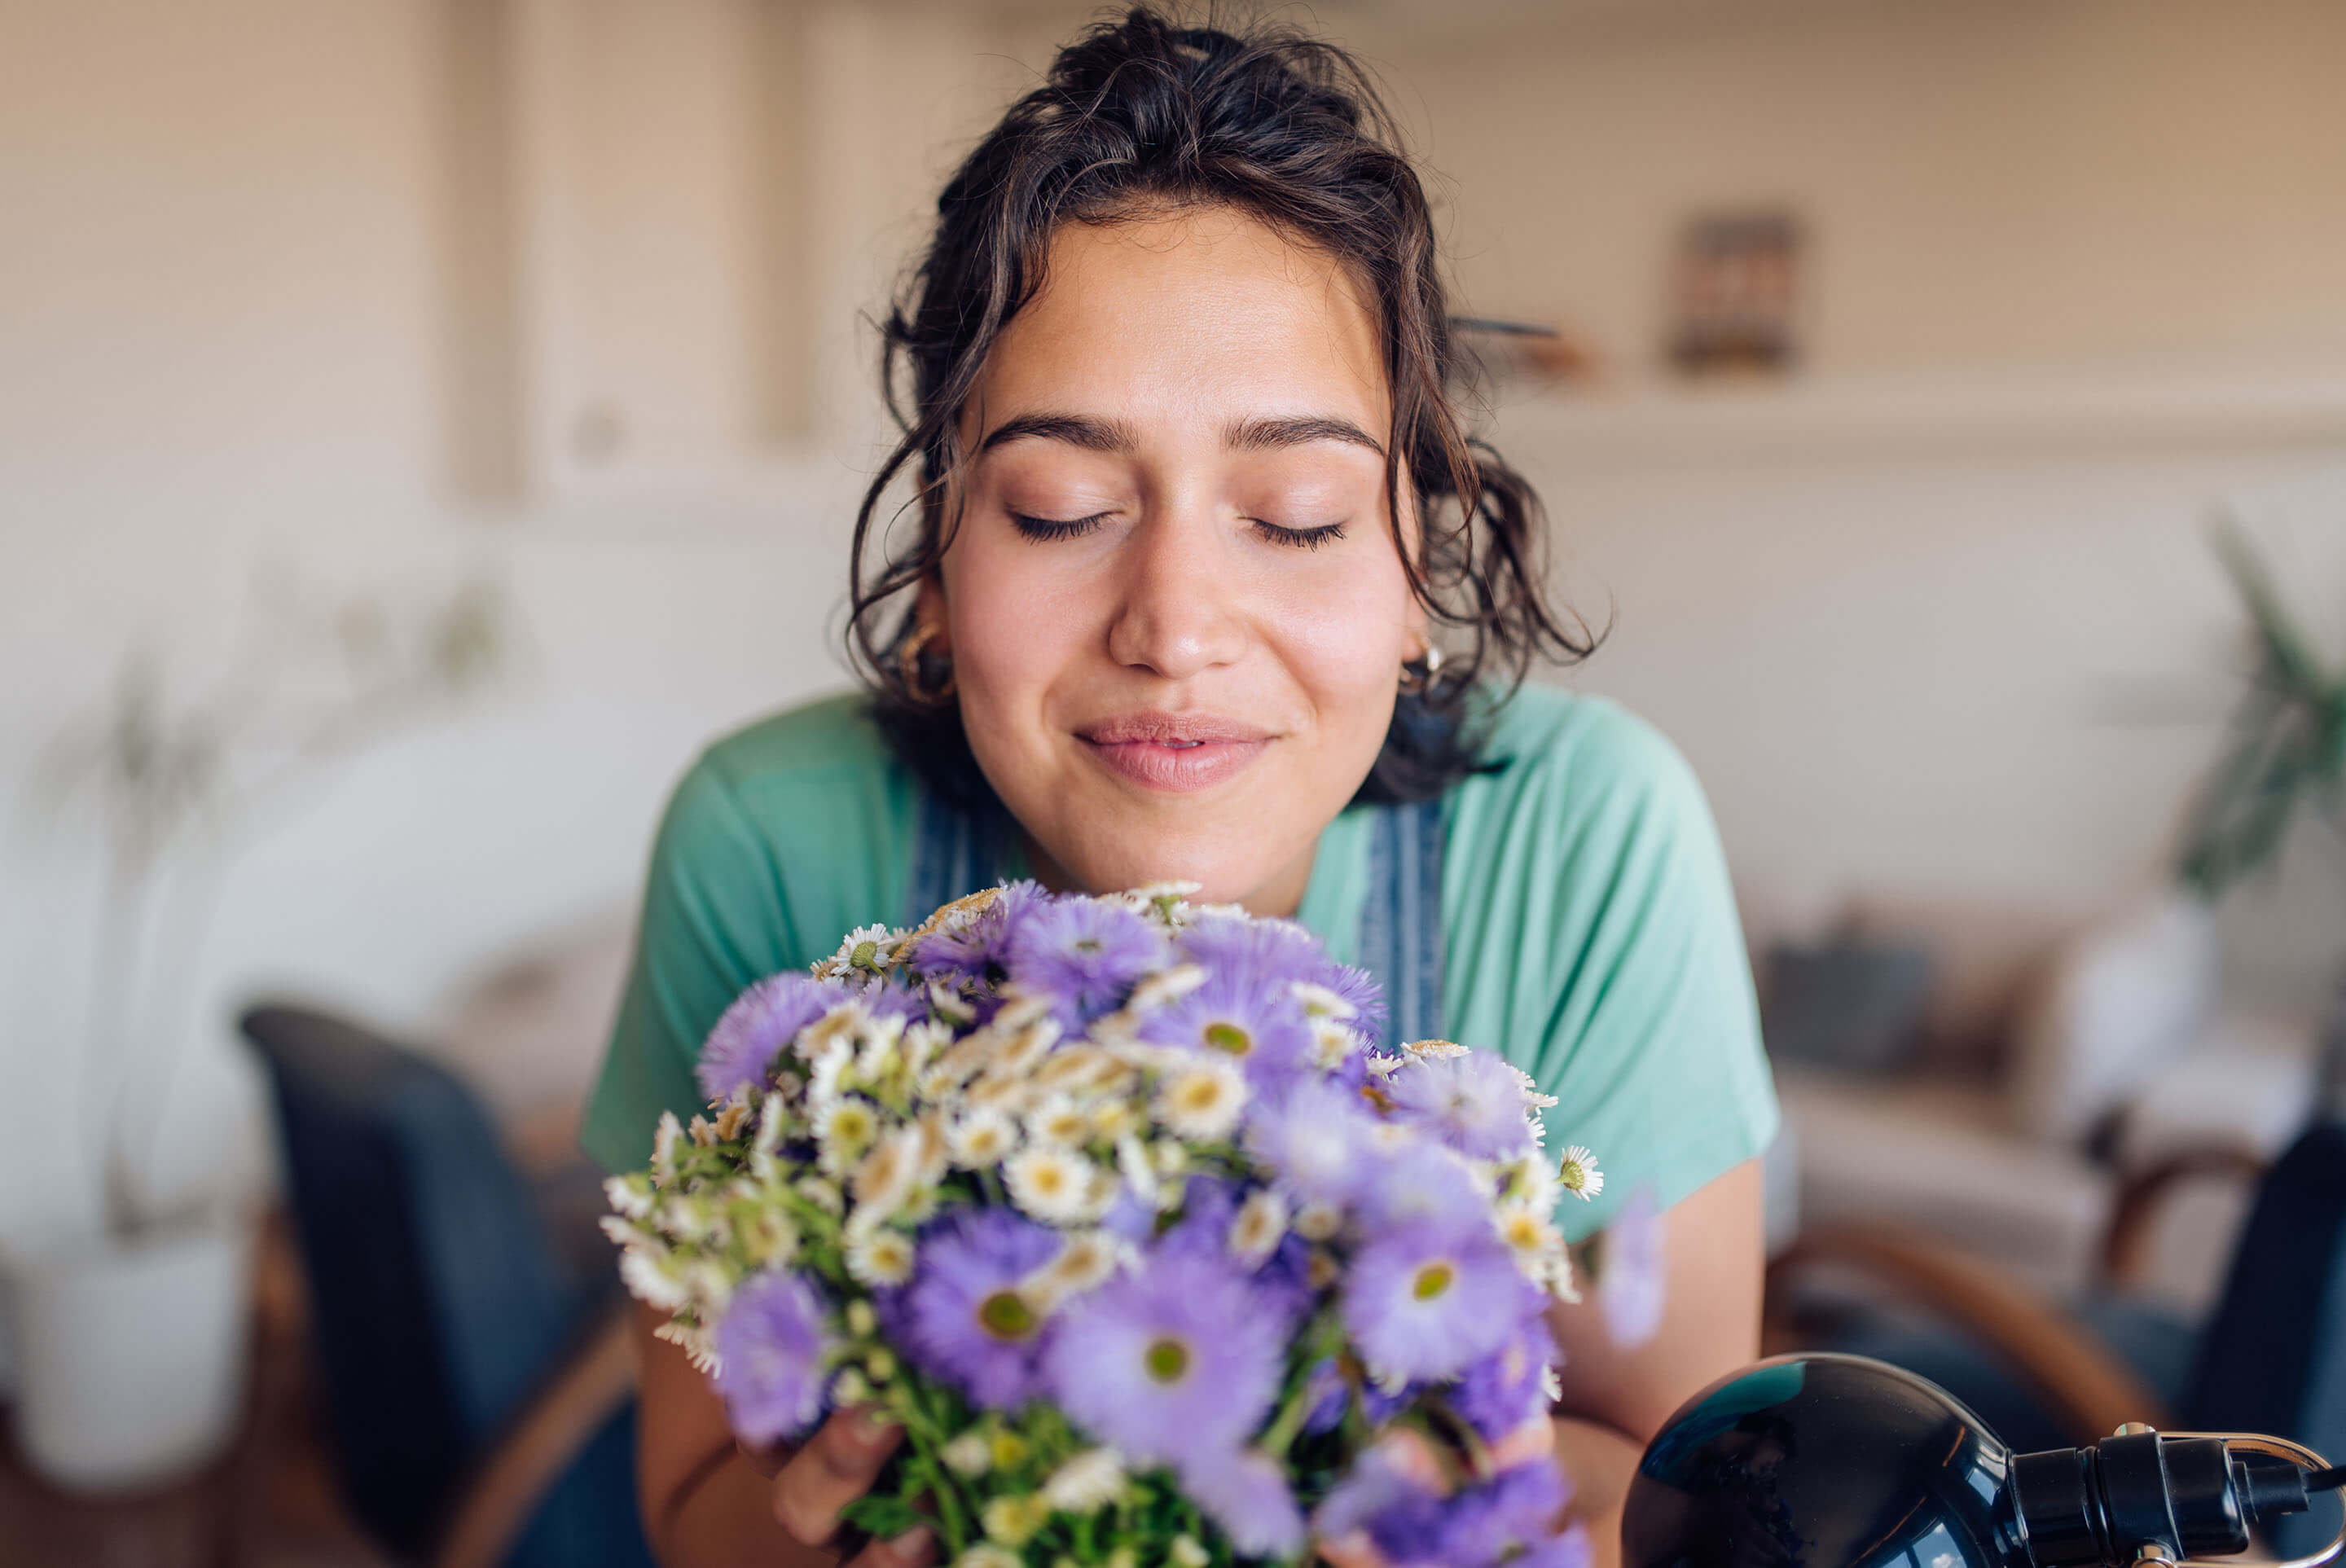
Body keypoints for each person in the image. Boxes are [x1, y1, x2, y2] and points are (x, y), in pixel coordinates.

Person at [581, 9, 1778, 1568]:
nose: (1174, 627)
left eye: (1293, 514)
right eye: (1059, 505)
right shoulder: (771, 843)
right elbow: (693, 1508)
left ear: (1420, 571)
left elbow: (1697, 1505)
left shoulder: (1588, 842)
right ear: (937, 561)